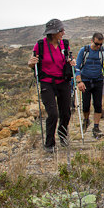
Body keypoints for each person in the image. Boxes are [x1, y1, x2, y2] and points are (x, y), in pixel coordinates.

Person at [27, 19, 76, 152]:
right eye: (61, 30)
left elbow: (68, 59)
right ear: (53, 33)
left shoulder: (65, 45)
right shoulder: (40, 45)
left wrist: (71, 62)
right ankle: (49, 144)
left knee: (66, 112)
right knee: (53, 114)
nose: (63, 33)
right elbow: (33, 63)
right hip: (47, 83)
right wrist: (31, 64)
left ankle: (63, 135)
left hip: (63, 82)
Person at [74, 32, 104, 139]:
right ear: (92, 41)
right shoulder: (84, 50)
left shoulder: (103, 51)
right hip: (85, 81)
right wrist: (79, 81)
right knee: (86, 105)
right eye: (97, 44)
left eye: (101, 44)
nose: (98, 46)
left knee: (98, 105)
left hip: (98, 81)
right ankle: (86, 120)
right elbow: (77, 67)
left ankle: (96, 127)